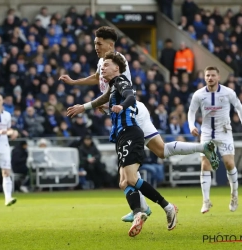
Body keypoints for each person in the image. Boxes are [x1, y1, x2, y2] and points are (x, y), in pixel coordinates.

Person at [59, 26, 219, 223]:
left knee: (128, 174)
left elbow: (116, 92)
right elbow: (97, 79)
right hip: (129, 114)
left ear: (111, 44)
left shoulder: (118, 61)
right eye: (94, 43)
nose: (95, 47)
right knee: (158, 152)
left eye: (99, 43)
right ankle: (202, 148)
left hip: (130, 115)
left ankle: (146, 207)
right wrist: (75, 82)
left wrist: (88, 106)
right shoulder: (104, 63)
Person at [67, 52, 178, 236]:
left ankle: (167, 207)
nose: (102, 67)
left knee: (132, 179)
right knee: (123, 181)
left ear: (116, 68)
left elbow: (130, 97)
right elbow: (102, 99)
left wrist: (122, 106)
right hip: (121, 136)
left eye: (106, 65)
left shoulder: (121, 81)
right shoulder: (112, 87)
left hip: (130, 133)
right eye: (102, 65)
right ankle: (138, 213)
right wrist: (83, 107)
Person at [188, 66, 241, 213]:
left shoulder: (228, 92)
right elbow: (191, 111)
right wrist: (191, 126)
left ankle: (234, 195)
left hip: (224, 131)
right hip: (206, 133)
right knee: (205, 165)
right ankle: (206, 201)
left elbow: (238, 107)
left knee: (229, 163)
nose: (210, 78)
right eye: (207, 76)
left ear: (218, 77)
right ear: (204, 78)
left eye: (212, 75)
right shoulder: (198, 94)